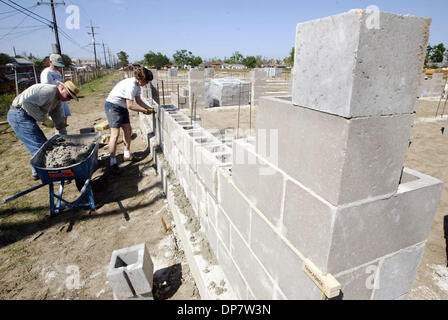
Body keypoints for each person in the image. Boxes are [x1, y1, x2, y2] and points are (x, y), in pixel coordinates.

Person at [7, 81, 79, 180]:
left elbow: (58, 119)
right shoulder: (49, 91)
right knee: (40, 146)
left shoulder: (57, 100)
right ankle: (51, 175)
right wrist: (44, 119)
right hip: (18, 115)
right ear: (62, 88)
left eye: (70, 98)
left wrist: (64, 136)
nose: (68, 99)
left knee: (40, 145)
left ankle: (37, 172)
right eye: (68, 96)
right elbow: (27, 103)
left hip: (26, 116)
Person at [104, 66, 154, 174]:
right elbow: (130, 106)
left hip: (121, 106)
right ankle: (112, 162)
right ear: (141, 79)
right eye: (146, 81)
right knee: (115, 134)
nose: (146, 84)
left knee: (128, 130)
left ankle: (126, 155)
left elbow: (139, 100)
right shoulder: (131, 85)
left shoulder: (137, 86)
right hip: (113, 106)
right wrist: (144, 111)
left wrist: (148, 108)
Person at [40, 54, 71, 129]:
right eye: (56, 65)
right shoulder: (46, 73)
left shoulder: (57, 73)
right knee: (57, 120)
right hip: (53, 99)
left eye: (59, 66)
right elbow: (45, 88)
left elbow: (61, 83)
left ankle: (64, 133)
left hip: (61, 98)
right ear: (50, 62)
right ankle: (59, 135)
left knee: (65, 116)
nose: (58, 67)